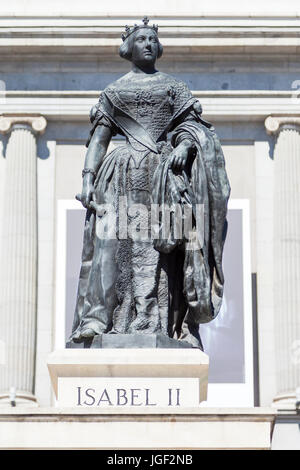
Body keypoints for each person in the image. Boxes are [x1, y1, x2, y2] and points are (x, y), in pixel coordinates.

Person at [70, 18, 230, 348]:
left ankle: (168, 325)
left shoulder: (174, 88)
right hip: (120, 176)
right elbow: (99, 140)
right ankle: (100, 320)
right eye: (141, 39)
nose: (147, 44)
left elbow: (196, 129)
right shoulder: (114, 92)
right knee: (112, 247)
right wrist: (87, 180)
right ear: (127, 48)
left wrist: (185, 146)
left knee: (163, 250)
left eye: (152, 39)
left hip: (162, 177)